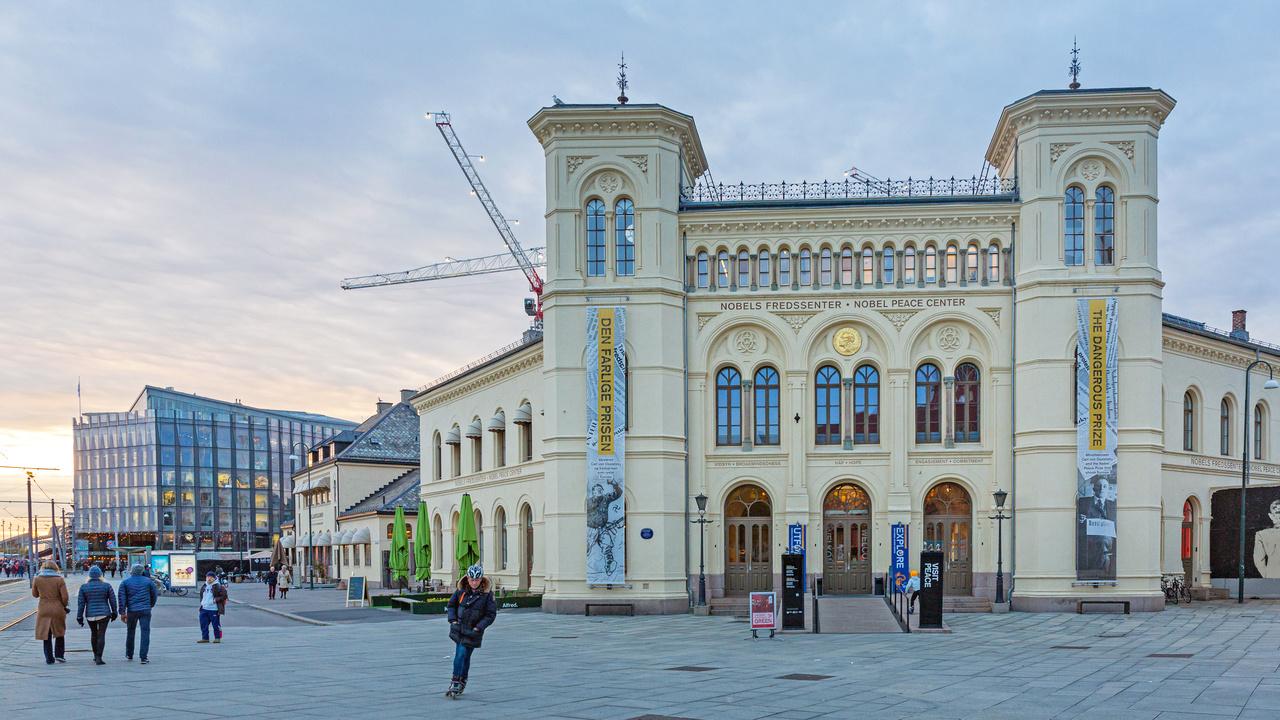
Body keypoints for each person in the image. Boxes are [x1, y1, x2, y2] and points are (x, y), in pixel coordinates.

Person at [444, 564, 497, 699]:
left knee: (466, 656)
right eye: (472, 579)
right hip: (460, 629)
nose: (474, 582)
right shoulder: (460, 592)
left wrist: (479, 627)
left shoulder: (487, 595)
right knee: (460, 654)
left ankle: (463, 680)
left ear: (481, 579)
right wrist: (453, 620)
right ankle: (456, 681)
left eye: (477, 580)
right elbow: (451, 606)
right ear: (467, 579)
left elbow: (490, 615)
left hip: (474, 631)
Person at [76, 565, 118, 665]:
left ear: (89, 575)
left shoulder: (84, 587)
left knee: (94, 634)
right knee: (101, 634)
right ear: (100, 575)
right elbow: (113, 600)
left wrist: (79, 617)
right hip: (104, 614)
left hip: (90, 614)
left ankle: (95, 655)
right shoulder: (107, 586)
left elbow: (81, 603)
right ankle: (99, 657)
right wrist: (114, 612)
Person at [117, 563, 158, 664]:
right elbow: (154, 595)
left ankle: (129, 654)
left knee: (130, 631)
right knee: (145, 632)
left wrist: (122, 612)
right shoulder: (148, 581)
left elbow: (122, 598)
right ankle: (143, 657)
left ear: (131, 571)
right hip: (145, 610)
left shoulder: (125, 582)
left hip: (132, 611)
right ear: (142, 571)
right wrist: (150, 605)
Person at [32, 561, 70, 664]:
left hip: (43, 608)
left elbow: (35, 595)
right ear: (55, 568)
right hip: (57, 608)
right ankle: (59, 655)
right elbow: (65, 597)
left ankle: (49, 658)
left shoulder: (37, 579)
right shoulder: (59, 579)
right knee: (60, 632)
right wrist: (64, 605)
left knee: (46, 634)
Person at [196, 571, 228, 643]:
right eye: (207, 577)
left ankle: (217, 638)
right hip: (204, 608)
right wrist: (203, 603)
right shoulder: (204, 585)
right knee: (203, 624)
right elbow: (202, 595)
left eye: (211, 577)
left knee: (215, 624)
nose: (209, 579)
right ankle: (205, 638)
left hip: (214, 609)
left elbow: (224, 596)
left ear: (214, 578)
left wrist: (216, 600)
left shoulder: (218, 586)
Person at [1253, 499, 1280, 579]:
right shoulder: (1262, 535)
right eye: (1278, 512)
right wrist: (1268, 577)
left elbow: (1259, 561)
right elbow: (1258, 561)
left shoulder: (1262, 535)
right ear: (1271, 516)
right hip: (1274, 577)